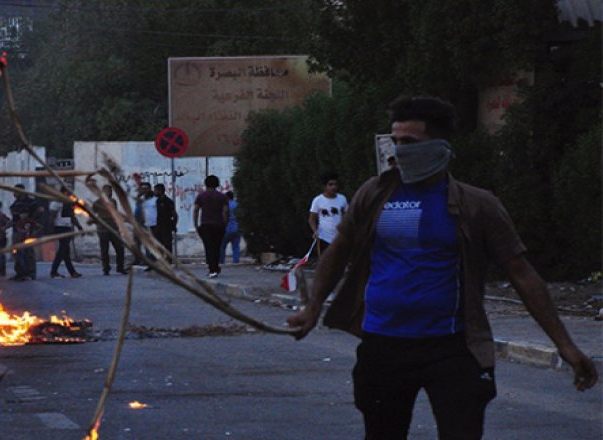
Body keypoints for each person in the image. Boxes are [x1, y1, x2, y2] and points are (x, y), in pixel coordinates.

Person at [286, 96, 598, 439]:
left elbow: (521, 273)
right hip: (382, 344)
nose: (400, 150)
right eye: (396, 141)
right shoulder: (374, 194)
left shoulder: (477, 204)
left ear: (438, 146)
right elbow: (339, 250)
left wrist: (565, 345)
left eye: (410, 142)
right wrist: (313, 308)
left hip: (453, 348)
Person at [193, 175, 228, 278]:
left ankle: (212, 268)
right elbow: (225, 212)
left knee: (208, 246)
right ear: (217, 184)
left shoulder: (201, 196)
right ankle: (215, 266)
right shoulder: (222, 197)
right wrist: (224, 224)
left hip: (206, 225)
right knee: (217, 246)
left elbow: (196, 210)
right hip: (218, 225)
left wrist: (195, 224)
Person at [308, 172, 348, 259]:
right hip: (324, 237)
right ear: (324, 186)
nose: (333, 187)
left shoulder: (342, 199)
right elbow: (312, 219)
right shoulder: (318, 200)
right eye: (330, 184)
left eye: (335, 184)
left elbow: (346, 216)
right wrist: (315, 231)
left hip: (339, 237)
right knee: (325, 263)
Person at [9, 184, 44, 281]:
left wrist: (31, 220)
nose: (13, 193)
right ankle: (20, 273)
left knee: (28, 252)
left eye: (15, 191)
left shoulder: (30, 202)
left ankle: (30, 273)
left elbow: (41, 210)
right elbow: (14, 216)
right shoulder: (16, 203)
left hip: (28, 231)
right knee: (17, 252)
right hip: (17, 231)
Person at [90, 184, 126, 275]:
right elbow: (91, 214)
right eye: (107, 191)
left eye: (110, 191)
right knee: (104, 250)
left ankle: (120, 267)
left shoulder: (113, 201)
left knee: (120, 248)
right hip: (103, 229)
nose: (110, 193)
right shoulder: (97, 202)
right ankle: (106, 269)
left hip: (114, 228)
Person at [49, 185, 83, 278]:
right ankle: (57, 271)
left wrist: (79, 226)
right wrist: (51, 228)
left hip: (67, 227)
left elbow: (72, 216)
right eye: (69, 191)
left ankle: (61, 271)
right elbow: (52, 215)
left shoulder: (68, 202)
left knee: (64, 250)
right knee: (63, 249)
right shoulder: (57, 202)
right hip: (60, 227)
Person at [153, 183, 178, 262]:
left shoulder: (168, 201)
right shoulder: (156, 201)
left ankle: (169, 261)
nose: (154, 192)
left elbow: (174, 215)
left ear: (160, 191)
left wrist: (173, 225)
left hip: (166, 226)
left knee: (167, 244)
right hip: (158, 226)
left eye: (156, 190)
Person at [219, 191, 241, 265]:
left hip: (227, 229)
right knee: (236, 247)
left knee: (222, 245)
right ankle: (236, 262)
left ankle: (221, 261)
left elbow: (223, 216)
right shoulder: (237, 205)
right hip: (237, 228)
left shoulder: (225, 205)